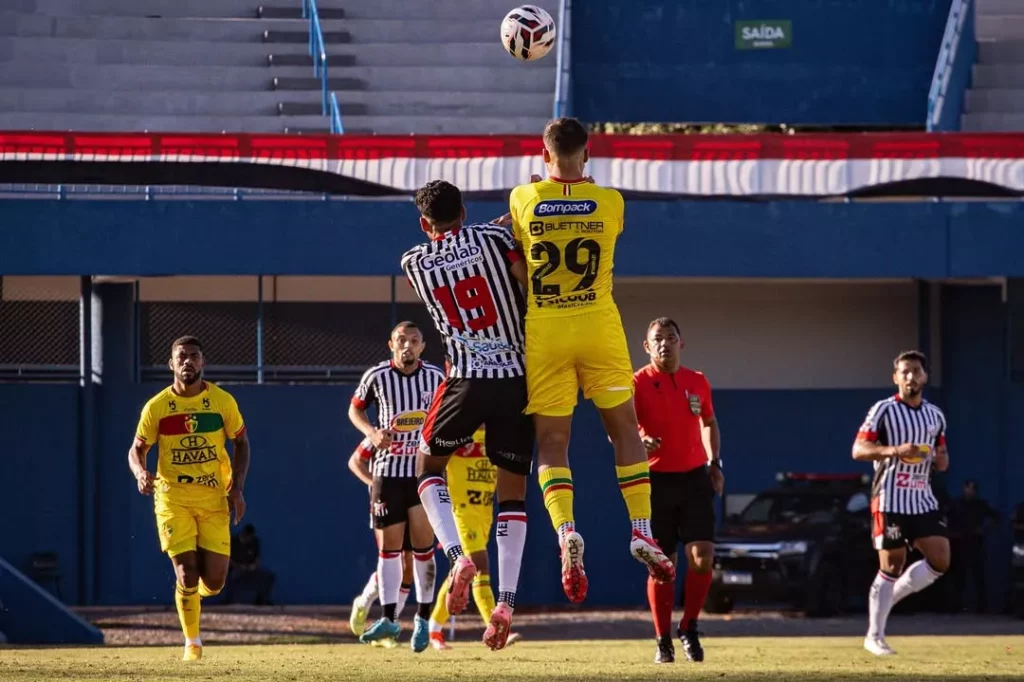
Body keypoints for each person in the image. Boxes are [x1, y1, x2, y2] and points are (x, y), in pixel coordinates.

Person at [507, 117, 674, 605]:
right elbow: (591, 200)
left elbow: (520, 247)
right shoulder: (611, 201)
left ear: (543, 155)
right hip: (599, 324)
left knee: (553, 442)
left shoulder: (523, 199)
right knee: (624, 429)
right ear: (588, 152)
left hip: (548, 328)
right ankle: (641, 530)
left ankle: (566, 532)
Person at [401, 180, 534, 651]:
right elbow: (526, 280)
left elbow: (453, 249)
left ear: (423, 223)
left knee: (426, 468)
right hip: (518, 377)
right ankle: (506, 603)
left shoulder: (414, 263)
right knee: (513, 492)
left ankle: (457, 555)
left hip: (465, 378)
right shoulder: (495, 242)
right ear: (465, 209)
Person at [127, 336, 250, 661]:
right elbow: (137, 449)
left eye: (194, 356)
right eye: (181, 357)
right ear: (171, 364)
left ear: (203, 362)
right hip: (172, 498)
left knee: (215, 580)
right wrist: (141, 472)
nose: (188, 362)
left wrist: (237, 486)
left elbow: (241, 443)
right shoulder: (157, 407)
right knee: (186, 572)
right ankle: (192, 642)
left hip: (213, 497)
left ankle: (194, 595)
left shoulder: (222, 402)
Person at [348, 322, 444, 653]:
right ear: (391, 344)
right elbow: (354, 409)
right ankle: (389, 619)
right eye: (401, 340)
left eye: (413, 341)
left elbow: (451, 409)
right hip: (388, 474)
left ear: (422, 346)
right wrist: (373, 433)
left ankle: (423, 617)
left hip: (422, 474)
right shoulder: (376, 376)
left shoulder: (436, 377)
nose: (407, 346)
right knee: (389, 551)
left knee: (422, 548)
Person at [632, 318, 722, 664]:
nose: (664, 344)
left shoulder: (697, 381)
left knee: (703, 558)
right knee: (662, 566)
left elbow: (709, 423)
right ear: (647, 346)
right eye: (658, 339)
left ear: (681, 343)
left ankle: (690, 626)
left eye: (671, 338)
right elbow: (620, 431)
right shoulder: (637, 383)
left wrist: (716, 464)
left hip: (694, 478)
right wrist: (641, 440)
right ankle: (663, 639)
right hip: (655, 482)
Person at [852, 350, 951, 656]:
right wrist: (894, 450)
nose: (911, 377)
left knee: (941, 560)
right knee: (892, 564)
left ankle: (889, 597)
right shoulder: (883, 410)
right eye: (905, 372)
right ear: (895, 377)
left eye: (916, 371)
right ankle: (874, 636)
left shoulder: (936, 415)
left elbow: (943, 458)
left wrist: (939, 458)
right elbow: (858, 449)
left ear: (925, 376)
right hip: (891, 496)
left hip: (922, 497)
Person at [429, 426, 520, 650]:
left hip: (484, 512)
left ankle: (433, 627)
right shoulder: (457, 437)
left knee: (461, 574)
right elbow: (432, 464)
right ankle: (496, 626)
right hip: (461, 513)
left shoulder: (496, 437)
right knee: (480, 566)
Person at [346, 436, 416, 647]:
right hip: (386, 503)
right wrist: (376, 483)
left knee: (409, 564)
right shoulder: (381, 433)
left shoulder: (420, 430)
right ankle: (364, 601)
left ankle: (389, 627)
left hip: (414, 501)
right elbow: (355, 461)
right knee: (392, 558)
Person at [949, 480, 1000, 613]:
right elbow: (944, 518)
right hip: (959, 544)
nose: (969, 491)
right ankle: (955, 606)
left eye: (972, 488)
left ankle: (981, 608)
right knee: (959, 576)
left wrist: (984, 529)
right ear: (963, 488)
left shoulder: (980, 504)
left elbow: (996, 517)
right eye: (967, 488)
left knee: (979, 576)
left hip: (976, 543)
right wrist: (951, 533)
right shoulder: (955, 504)